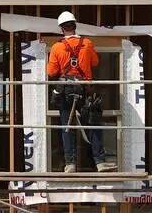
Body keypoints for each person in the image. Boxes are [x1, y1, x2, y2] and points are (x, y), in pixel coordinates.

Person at [47, 10, 116, 173]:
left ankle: (70, 164)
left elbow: (51, 72)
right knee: (92, 124)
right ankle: (99, 162)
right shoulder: (87, 43)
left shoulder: (57, 47)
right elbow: (95, 62)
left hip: (65, 90)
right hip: (85, 88)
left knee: (67, 126)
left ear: (61, 29)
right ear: (75, 26)